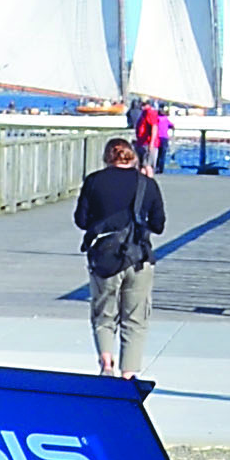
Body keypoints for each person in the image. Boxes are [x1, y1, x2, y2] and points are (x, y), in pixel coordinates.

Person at [73, 137, 167, 377]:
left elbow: (81, 221)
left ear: (107, 157)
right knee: (135, 319)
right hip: (138, 257)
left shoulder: (94, 181)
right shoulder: (146, 184)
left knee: (103, 314)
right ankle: (128, 373)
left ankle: (106, 364)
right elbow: (158, 225)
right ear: (133, 157)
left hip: (105, 258)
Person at [133, 99, 160, 172]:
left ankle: (148, 182)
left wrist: (151, 143)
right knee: (141, 166)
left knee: (147, 166)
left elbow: (154, 127)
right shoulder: (143, 113)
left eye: (143, 104)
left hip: (147, 143)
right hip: (141, 143)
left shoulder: (150, 112)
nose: (142, 106)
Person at [154, 107, 174, 174]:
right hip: (164, 137)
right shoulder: (165, 119)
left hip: (158, 137)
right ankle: (161, 168)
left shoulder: (157, 119)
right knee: (163, 154)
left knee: (158, 154)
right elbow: (172, 125)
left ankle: (157, 167)